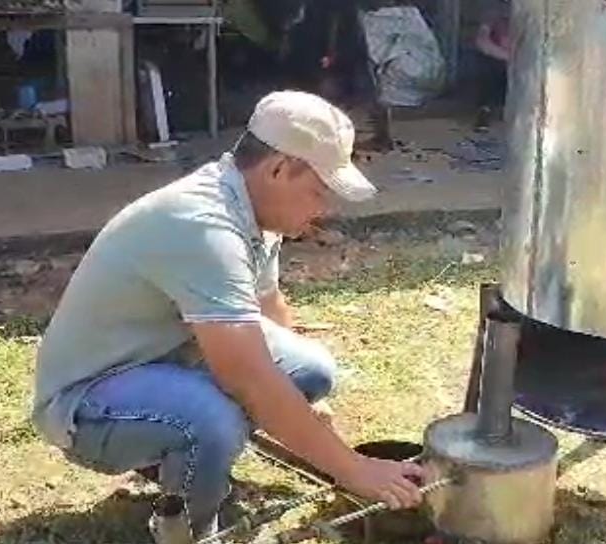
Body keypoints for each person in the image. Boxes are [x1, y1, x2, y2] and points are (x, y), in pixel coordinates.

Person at [31, 91, 425, 539]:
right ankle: (187, 528)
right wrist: (352, 468)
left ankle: (177, 462)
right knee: (212, 419)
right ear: (278, 169)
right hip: (88, 398)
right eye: (319, 191)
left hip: (163, 358)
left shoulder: (252, 210)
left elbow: (267, 311)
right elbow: (248, 377)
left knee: (311, 372)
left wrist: (305, 409)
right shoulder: (203, 226)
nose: (325, 209)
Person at [473, 0, 511, 132]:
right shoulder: (494, 9)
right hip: (502, 58)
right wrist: (506, 56)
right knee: (488, 65)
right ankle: (484, 109)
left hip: (526, 59)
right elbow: (481, 40)